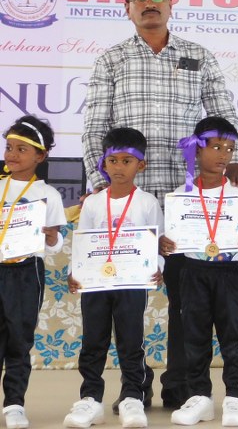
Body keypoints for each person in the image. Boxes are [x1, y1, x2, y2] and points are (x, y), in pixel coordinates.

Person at [82, 0, 238, 411]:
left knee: (185, 304)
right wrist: (100, 184)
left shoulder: (198, 55)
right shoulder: (111, 60)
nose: (150, 3)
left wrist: (234, 163)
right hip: (128, 201)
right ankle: (133, 388)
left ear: (171, 4)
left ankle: (181, 386)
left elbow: (225, 114)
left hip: (187, 201)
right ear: (127, 8)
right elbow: (95, 127)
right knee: (126, 301)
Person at [158, 117, 238, 427]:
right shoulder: (181, 194)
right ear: (197, 150)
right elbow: (171, 240)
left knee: (231, 337)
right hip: (193, 271)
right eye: (216, 147)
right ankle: (200, 397)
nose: (223, 155)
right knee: (194, 337)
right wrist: (165, 244)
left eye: (229, 148)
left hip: (228, 272)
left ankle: (234, 398)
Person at [65, 127, 162, 429]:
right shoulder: (93, 203)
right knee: (93, 341)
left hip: (132, 284)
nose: (119, 167)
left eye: (126, 161)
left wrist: (157, 266)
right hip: (96, 283)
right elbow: (83, 240)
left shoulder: (148, 202)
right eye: (113, 161)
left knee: (131, 341)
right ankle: (90, 399)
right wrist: (74, 271)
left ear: (141, 165)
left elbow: (156, 243)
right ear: (103, 163)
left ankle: (133, 396)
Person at [0, 116, 67, 429]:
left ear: (40, 156)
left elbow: (54, 243)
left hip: (26, 271)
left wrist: (53, 239)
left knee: (19, 338)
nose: (12, 154)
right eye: (9, 147)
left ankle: (14, 404)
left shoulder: (48, 194)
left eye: (21, 149)